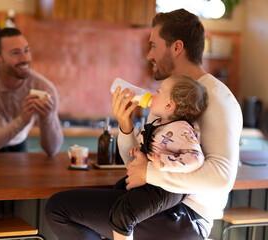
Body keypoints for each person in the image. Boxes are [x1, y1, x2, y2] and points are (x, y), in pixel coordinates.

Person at [45, 9, 243, 240]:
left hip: (186, 216)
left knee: (60, 209)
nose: (149, 55)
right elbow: (136, 166)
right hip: (158, 203)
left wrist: (151, 176)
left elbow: (222, 178)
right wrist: (126, 127)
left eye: (153, 45)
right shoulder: (166, 99)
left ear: (176, 48)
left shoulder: (217, 96)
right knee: (76, 207)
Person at [109, 75, 209, 240]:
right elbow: (155, 146)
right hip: (150, 181)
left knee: (123, 215)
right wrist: (140, 151)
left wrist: (165, 163)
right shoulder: (160, 123)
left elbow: (195, 158)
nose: (152, 94)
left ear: (169, 104)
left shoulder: (181, 129)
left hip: (162, 188)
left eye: (158, 92)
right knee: (119, 189)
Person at [0, 27, 63, 157]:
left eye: (26, 50)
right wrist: (22, 120)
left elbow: (53, 150)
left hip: (19, 147)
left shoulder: (43, 88)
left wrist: (47, 119)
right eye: (16, 53)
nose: (25, 58)